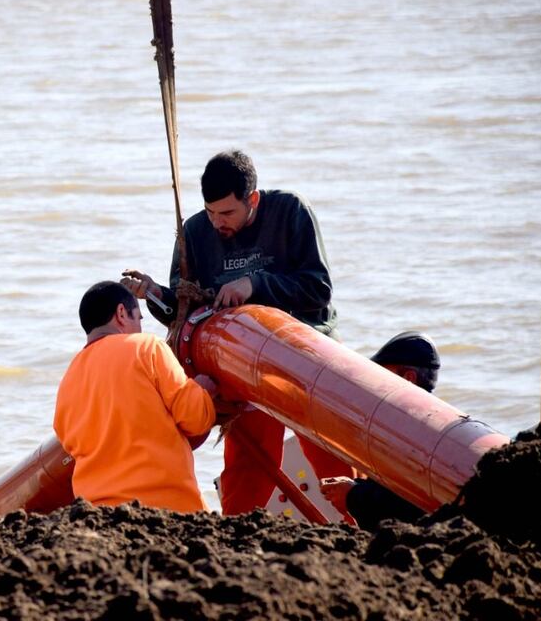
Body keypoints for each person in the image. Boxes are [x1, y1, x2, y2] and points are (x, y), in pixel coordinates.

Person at [122, 149, 352, 515]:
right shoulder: (195, 231)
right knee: (247, 468)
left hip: (306, 351)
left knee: (332, 459)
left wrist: (254, 284)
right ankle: (238, 527)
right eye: (210, 212)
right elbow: (183, 317)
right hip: (244, 362)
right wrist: (153, 293)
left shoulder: (290, 211)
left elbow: (318, 290)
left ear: (253, 200)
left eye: (227, 213)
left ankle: (359, 518)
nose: (217, 223)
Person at [53, 281, 229, 513]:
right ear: (121, 313)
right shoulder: (146, 347)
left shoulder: (69, 378)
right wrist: (203, 391)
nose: (139, 328)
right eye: (138, 319)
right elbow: (194, 418)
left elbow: (67, 440)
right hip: (166, 506)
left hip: (99, 511)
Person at [320, 331, 440, 530]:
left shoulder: (410, 432)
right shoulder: (432, 422)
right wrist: (354, 487)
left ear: (409, 378)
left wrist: (352, 495)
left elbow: (405, 507)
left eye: (384, 376)